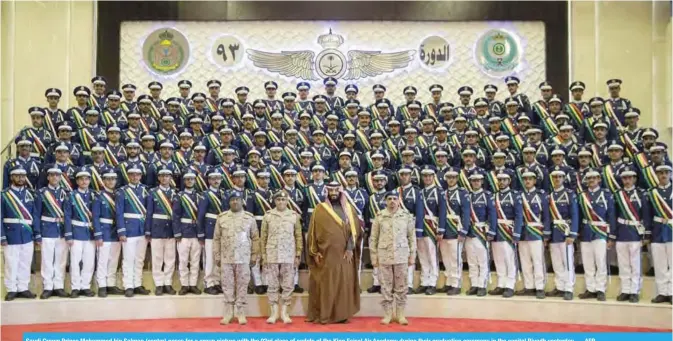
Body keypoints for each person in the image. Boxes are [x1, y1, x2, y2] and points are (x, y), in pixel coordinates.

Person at [306, 181, 363, 324]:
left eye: (336, 191)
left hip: (345, 255)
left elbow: (355, 231)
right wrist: (314, 252)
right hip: (326, 256)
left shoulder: (349, 209)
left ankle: (341, 315)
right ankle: (326, 315)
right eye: (330, 191)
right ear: (327, 192)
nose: (333, 193)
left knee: (343, 284)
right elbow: (312, 232)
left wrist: (350, 248)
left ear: (340, 192)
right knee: (327, 285)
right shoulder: (319, 209)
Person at [370, 190, 416, 325]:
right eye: (389, 199)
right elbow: (373, 238)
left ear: (398, 200)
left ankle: (400, 314)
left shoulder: (406, 216)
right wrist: (374, 257)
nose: (392, 201)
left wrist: (412, 255)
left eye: (394, 199)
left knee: (401, 286)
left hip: (401, 256)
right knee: (385, 286)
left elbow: (411, 237)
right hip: (384, 256)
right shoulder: (380, 216)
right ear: (385, 201)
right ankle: (388, 314)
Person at [214, 193, 260, 325]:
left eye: (238, 200)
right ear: (229, 202)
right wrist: (217, 255)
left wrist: (254, 255)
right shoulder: (222, 218)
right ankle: (228, 313)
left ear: (242, 201)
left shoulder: (249, 218)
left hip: (243, 258)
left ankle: (240, 312)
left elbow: (255, 238)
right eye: (232, 200)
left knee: (242, 285)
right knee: (227, 285)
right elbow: (217, 238)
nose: (235, 202)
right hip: (226, 258)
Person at [261, 190, 303, 324]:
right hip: (272, 254)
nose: (281, 202)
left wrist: (297, 254)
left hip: (288, 254)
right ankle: (274, 313)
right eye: (278, 200)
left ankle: (285, 313)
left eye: (283, 200)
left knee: (288, 284)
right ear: (274, 201)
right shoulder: (268, 216)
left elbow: (298, 236)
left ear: (287, 201)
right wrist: (264, 255)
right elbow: (263, 237)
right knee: (272, 284)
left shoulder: (293, 216)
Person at [610, 166, 650, 303]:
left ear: (634, 179)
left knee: (635, 264)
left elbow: (645, 214)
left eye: (629, 178)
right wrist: (613, 235)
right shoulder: (617, 194)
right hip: (621, 232)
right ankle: (625, 290)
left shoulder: (641, 194)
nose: (627, 180)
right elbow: (613, 216)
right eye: (624, 178)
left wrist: (646, 234)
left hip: (635, 233)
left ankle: (634, 291)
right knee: (623, 264)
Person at [578, 169, 615, 301]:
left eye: (594, 178)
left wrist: (611, 236)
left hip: (600, 232)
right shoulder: (582, 195)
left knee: (600, 262)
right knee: (588, 263)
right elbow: (579, 215)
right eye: (589, 178)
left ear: (599, 179)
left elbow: (611, 215)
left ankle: (600, 289)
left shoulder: (606, 194)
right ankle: (590, 288)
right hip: (586, 232)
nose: (591, 180)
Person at [1, 166, 37, 301]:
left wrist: (36, 233)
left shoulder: (30, 194)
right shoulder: (4, 195)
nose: (20, 179)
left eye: (23, 176)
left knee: (25, 262)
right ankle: (11, 289)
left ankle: (23, 287)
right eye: (17, 176)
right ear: (11, 177)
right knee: (11, 262)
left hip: (27, 234)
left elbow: (34, 215)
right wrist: (2, 235)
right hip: (11, 234)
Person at [115, 165, 150, 297]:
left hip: (142, 229)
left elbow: (149, 212)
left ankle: (137, 284)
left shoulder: (145, 190)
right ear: (128, 176)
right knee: (128, 259)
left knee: (140, 259)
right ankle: (128, 285)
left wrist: (148, 230)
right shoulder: (122, 191)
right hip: (128, 229)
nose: (135, 177)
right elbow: (119, 212)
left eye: (137, 175)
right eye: (132, 174)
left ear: (141, 176)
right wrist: (121, 231)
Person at [34, 167, 68, 299]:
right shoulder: (42, 193)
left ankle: (58, 286)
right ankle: (48, 286)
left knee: (61, 260)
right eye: (52, 175)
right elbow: (36, 214)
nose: (55, 178)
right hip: (47, 229)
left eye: (57, 175)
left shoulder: (65, 192)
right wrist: (37, 232)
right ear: (48, 177)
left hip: (62, 230)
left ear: (61, 178)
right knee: (47, 260)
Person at [517, 171, 550, 299]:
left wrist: (546, 234)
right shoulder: (519, 195)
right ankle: (529, 286)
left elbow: (546, 216)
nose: (527, 181)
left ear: (535, 181)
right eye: (525, 179)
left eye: (530, 179)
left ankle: (540, 287)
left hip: (536, 232)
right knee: (525, 261)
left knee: (538, 261)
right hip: (523, 233)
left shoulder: (541, 195)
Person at [547, 167, 579, 301]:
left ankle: (569, 288)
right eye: (555, 177)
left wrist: (572, 234)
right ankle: (559, 287)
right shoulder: (549, 196)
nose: (557, 179)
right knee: (556, 262)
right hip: (554, 233)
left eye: (560, 177)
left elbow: (575, 214)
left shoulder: (569, 194)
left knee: (567, 262)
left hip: (565, 231)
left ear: (564, 179)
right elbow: (548, 216)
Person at [145, 166, 178, 296]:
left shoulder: (175, 193)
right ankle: (159, 284)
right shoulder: (153, 193)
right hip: (156, 229)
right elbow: (149, 213)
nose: (165, 178)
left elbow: (177, 214)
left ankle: (168, 283)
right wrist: (148, 230)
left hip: (170, 229)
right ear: (158, 177)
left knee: (170, 258)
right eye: (162, 176)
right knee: (157, 258)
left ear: (170, 178)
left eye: (167, 175)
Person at [64, 167, 96, 298]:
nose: (84, 181)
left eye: (86, 179)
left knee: (89, 262)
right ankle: (75, 287)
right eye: (81, 179)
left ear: (89, 180)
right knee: (75, 262)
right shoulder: (71, 196)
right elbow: (67, 216)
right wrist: (69, 234)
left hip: (90, 233)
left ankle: (85, 286)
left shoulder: (94, 195)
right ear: (77, 181)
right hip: (76, 232)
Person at [438, 169, 471, 295]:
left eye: (453, 177)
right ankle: (449, 282)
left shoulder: (462, 193)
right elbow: (441, 212)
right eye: (448, 178)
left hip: (456, 229)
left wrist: (463, 231)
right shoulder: (443, 193)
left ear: (457, 179)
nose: (451, 180)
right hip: (444, 230)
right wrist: (440, 229)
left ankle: (456, 284)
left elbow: (466, 213)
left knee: (455, 258)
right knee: (446, 257)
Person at [490, 172, 523, 298]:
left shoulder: (514, 195)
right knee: (498, 259)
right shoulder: (494, 196)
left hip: (509, 230)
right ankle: (501, 284)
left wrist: (517, 233)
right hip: (497, 231)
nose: (502, 182)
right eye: (500, 180)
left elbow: (519, 215)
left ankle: (510, 285)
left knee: (510, 260)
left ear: (509, 181)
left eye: (504, 180)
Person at [92, 170, 124, 297]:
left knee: (113, 259)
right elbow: (95, 217)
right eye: (108, 179)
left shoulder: (118, 195)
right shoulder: (99, 196)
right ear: (103, 181)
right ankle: (102, 285)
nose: (110, 181)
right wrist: (98, 234)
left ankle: (110, 284)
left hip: (115, 231)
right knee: (102, 259)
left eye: (113, 179)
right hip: (104, 231)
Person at [173, 171, 204, 295]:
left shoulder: (199, 196)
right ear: (184, 181)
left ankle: (193, 284)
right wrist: (177, 233)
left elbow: (201, 216)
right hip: (184, 233)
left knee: (195, 260)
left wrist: (201, 233)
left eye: (192, 179)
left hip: (196, 233)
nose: (190, 181)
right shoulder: (179, 196)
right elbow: (175, 215)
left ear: (195, 181)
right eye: (187, 179)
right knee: (183, 261)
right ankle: (184, 285)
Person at [649, 165, 672, 304]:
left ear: (670, 174)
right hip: (657, 231)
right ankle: (662, 292)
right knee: (660, 264)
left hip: (672, 231)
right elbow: (647, 214)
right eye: (660, 173)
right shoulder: (652, 193)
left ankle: (672, 292)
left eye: (666, 173)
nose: (663, 175)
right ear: (656, 175)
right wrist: (648, 232)